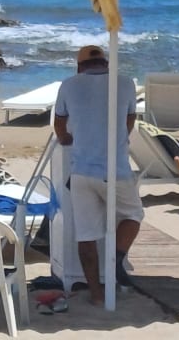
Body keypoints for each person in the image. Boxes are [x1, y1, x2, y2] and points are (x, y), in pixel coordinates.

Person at [53, 44, 142, 304]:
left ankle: (96, 294)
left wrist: (67, 138)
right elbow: (129, 122)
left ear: (79, 66)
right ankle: (117, 259)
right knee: (133, 215)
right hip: (116, 170)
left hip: (81, 171)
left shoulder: (68, 85)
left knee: (86, 235)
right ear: (106, 64)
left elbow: (59, 125)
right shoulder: (125, 83)